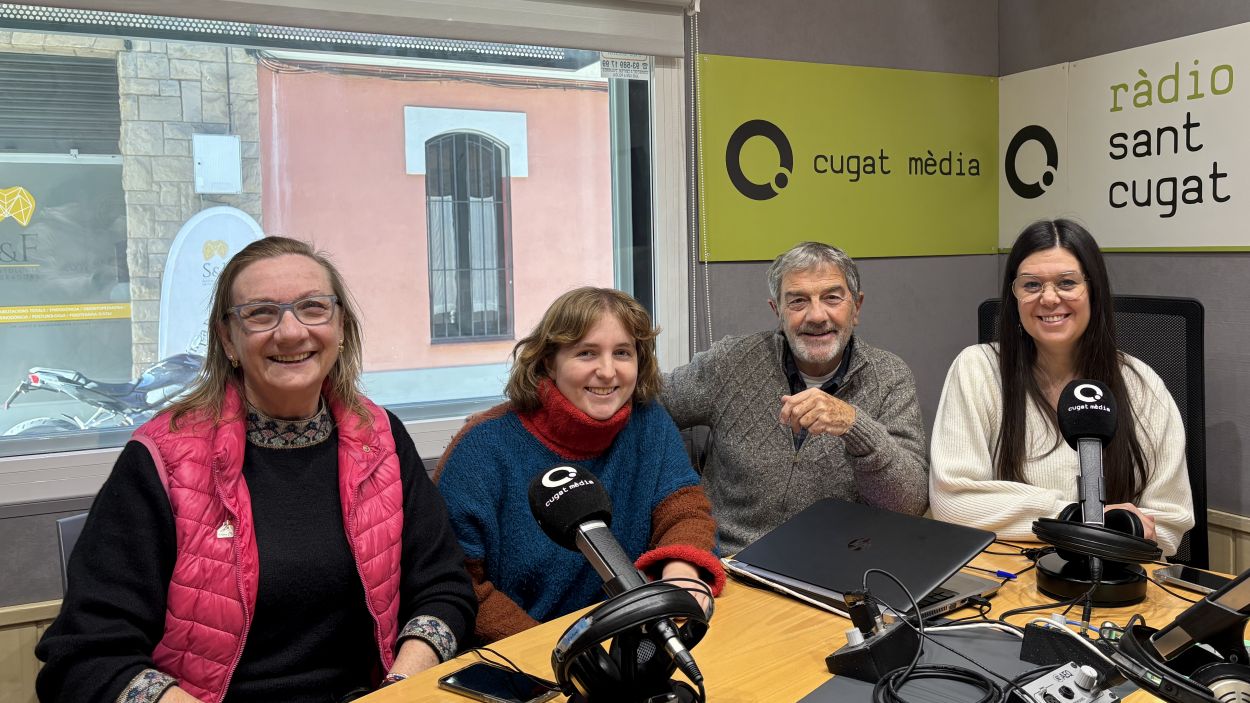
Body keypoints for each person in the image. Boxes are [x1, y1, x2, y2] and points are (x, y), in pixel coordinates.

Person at [36, 237, 476, 703]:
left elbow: (444, 588)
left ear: (340, 326)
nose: (290, 332)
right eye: (261, 314)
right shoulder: (160, 460)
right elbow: (85, 656)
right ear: (228, 339)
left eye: (312, 307)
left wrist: (398, 688)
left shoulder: (381, 438)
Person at [435, 287, 724, 643]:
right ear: (547, 362)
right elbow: (459, 584)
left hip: (630, 641)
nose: (607, 371)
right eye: (586, 353)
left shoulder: (649, 422)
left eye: (622, 353)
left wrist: (680, 573)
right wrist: (554, 653)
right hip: (524, 657)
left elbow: (685, 512)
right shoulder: (480, 449)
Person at [929, 219, 1194, 555]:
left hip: (1115, 583)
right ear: (1014, 296)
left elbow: (1168, 527)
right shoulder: (977, 370)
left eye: (1067, 283)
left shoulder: (1141, 384)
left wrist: (1068, 524)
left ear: (1094, 289)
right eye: (1032, 285)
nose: (1049, 298)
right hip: (1011, 582)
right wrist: (1081, 518)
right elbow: (954, 503)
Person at [661, 241, 929, 553]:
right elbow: (647, 403)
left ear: (856, 307)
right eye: (798, 301)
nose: (817, 315)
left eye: (832, 298)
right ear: (777, 310)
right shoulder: (730, 361)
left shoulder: (890, 377)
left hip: (834, 565)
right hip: (731, 564)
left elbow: (909, 504)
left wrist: (855, 427)